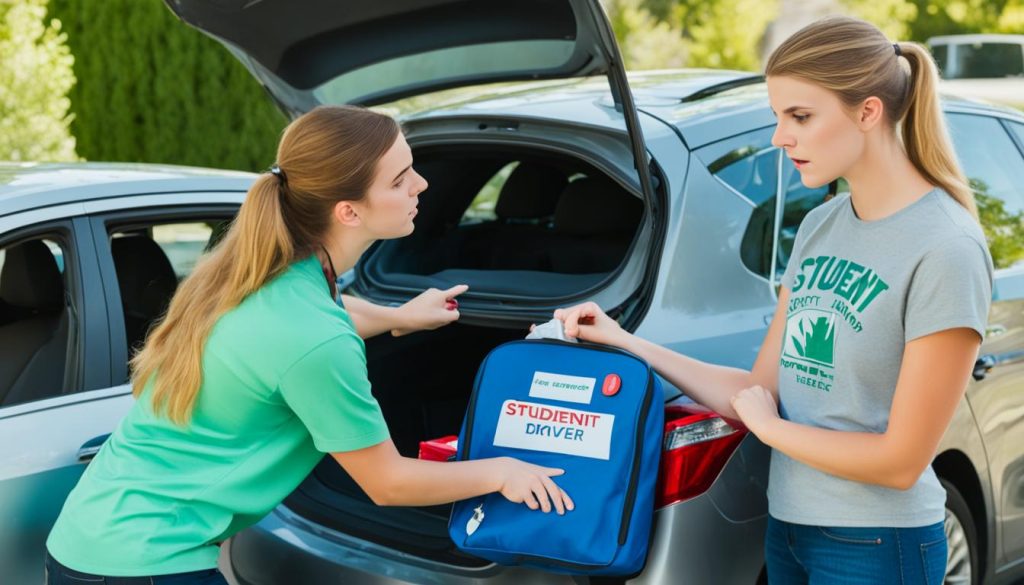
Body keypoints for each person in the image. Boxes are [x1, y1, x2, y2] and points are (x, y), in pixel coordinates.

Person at [45, 105, 573, 584]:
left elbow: (321, 319)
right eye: (401, 179)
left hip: (87, 537)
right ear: (349, 212)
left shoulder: (255, 275)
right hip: (144, 565)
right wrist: (501, 471)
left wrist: (400, 318)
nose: (422, 184)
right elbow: (388, 483)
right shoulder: (314, 338)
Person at [555, 16, 992, 584]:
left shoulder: (946, 248)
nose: (780, 137)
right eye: (778, 116)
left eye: (800, 117)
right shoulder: (819, 226)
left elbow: (901, 461)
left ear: (867, 112)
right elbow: (758, 392)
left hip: (878, 545)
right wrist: (623, 341)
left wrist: (773, 430)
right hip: (788, 531)